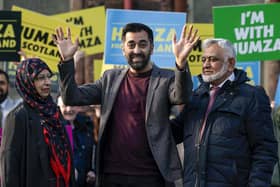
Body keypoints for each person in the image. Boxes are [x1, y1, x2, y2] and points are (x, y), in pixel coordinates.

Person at [53, 22, 199, 187]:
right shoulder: (110, 78)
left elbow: (182, 96)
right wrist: (66, 61)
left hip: (152, 176)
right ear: (123, 49)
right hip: (111, 176)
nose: (136, 50)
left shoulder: (166, 78)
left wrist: (180, 63)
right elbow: (72, 97)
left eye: (142, 44)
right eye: (131, 44)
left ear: (152, 48)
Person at [171, 38, 278, 187]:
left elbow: (264, 150)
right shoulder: (196, 96)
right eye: (204, 60)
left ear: (231, 64)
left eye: (213, 59)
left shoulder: (252, 96)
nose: (206, 64)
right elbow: (172, 133)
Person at [0, 58, 75, 187]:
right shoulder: (18, 117)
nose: (47, 82)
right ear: (27, 82)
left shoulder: (54, 112)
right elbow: (9, 165)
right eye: (40, 78)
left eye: (48, 77)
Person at [57, 95, 96, 187]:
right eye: (65, 105)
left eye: (73, 105)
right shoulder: (57, 128)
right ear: (58, 107)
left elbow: (91, 154)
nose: (69, 109)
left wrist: (92, 171)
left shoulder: (86, 125)